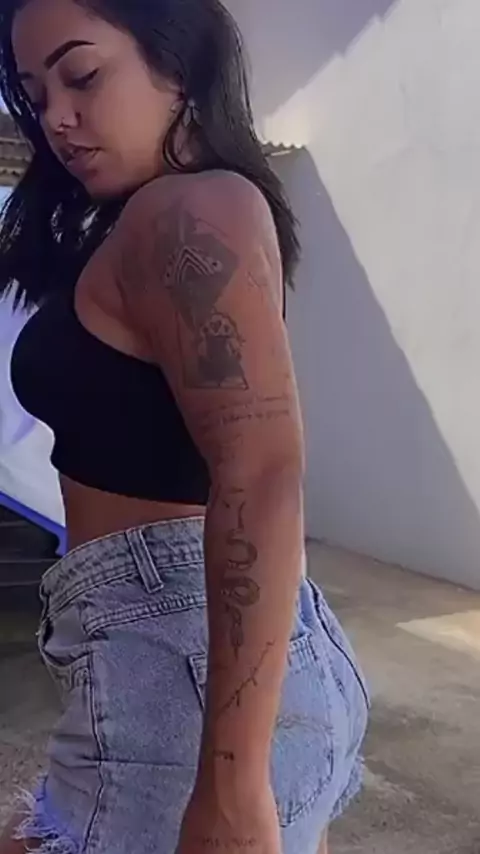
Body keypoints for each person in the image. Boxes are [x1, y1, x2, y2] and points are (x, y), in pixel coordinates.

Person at [0, 0, 370, 852]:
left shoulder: (191, 213)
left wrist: (235, 791)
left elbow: (261, 472)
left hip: (180, 677)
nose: (57, 117)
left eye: (83, 75)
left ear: (177, 62)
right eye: (35, 93)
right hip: (198, 666)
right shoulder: (159, 218)